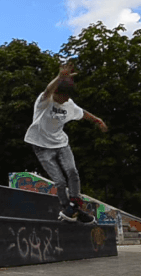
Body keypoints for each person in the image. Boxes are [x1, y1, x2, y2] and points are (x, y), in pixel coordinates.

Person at [24, 63, 107, 222]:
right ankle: (66, 207)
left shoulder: (69, 104)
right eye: (64, 97)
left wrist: (98, 120)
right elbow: (48, 89)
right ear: (57, 93)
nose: (67, 100)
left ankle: (74, 206)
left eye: (68, 97)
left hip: (61, 144)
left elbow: (82, 113)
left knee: (72, 172)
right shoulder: (44, 101)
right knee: (60, 182)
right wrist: (59, 77)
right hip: (41, 146)